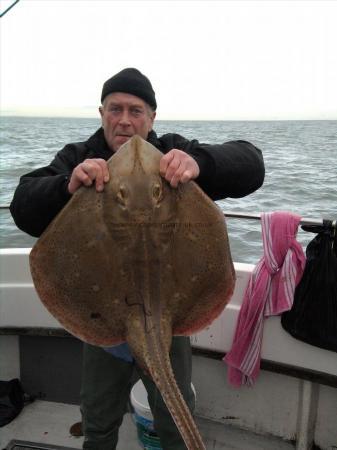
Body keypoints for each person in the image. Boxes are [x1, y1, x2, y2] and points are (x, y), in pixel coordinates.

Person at [10, 68, 265, 450]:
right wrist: (66, 186)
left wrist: (200, 165)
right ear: (101, 113)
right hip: (101, 319)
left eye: (136, 110)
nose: (125, 120)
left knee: (175, 422)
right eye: (115, 109)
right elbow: (22, 207)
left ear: (152, 118)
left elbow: (252, 163)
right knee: (97, 421)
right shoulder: (79, 157)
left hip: (170, 316)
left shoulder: (172, 153)